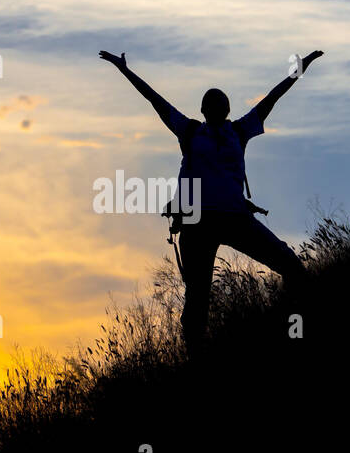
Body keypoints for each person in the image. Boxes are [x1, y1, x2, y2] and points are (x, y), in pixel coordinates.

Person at [98, 49, 322, 355]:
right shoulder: (190, 131)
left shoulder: (239, 131)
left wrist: (300, 68)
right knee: (198, 297)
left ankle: (293, 333)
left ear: (227, 109)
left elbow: (274, 96)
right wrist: (124, 69)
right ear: (204, 110)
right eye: (212, 103)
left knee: (292, 268)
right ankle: (195, 360)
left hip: (236, 219)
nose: (217, 107)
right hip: (198, 224)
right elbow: (154, 99)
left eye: (221, 103)